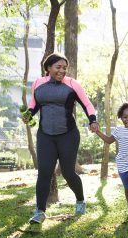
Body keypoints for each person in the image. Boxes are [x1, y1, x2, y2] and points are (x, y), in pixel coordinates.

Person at [23, 53, 99, 224]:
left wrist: (93, 120)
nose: (62, 70)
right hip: (45, 135)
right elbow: (33, 105)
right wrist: (28, 115)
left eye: (65, 68)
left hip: (68, 135)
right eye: (58, 67)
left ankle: (80, 200)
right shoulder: (38, 84)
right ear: (48, 68)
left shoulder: (72, 84)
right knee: (44, 172)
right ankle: (40, 211)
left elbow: (87, 104)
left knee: (68, 172)